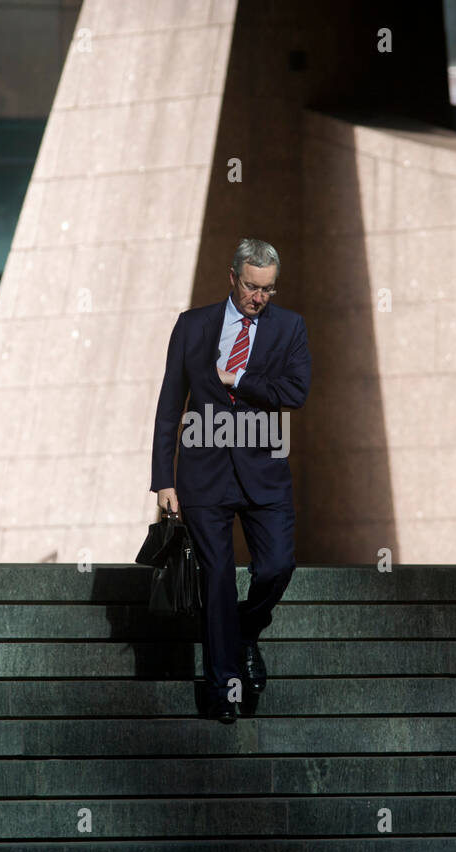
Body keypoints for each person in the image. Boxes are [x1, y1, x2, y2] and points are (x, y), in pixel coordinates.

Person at [150, 238, 312, 723]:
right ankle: (225, 691)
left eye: (267, 289)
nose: (258, 297)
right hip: (204, 475)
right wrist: (163, 479)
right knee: (217, 579)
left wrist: (237, 380)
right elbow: (168, 404)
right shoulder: (192, 325)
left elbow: (296, 392)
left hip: (265, 471)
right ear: (232, 277)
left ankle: (245, 630)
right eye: (250, 285)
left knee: (276, 567)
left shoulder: (290, 327)